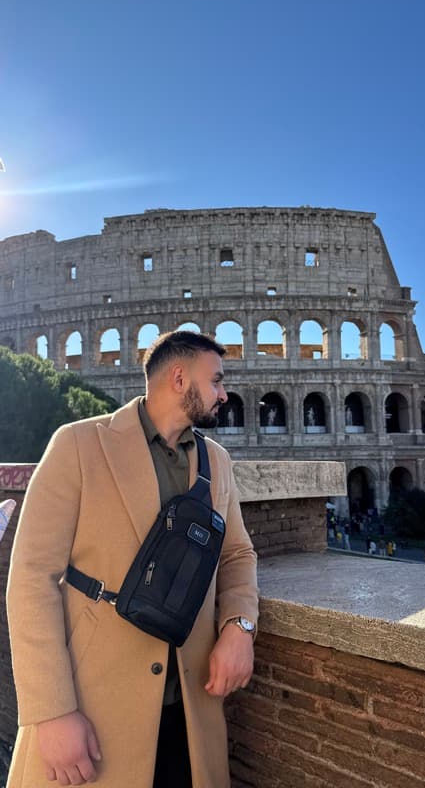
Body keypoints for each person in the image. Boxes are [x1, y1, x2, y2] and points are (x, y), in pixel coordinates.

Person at [6, 330, 258, 788]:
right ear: (179, 378)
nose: (224, 394)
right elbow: (30, 578)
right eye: (217, 381)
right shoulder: (79, 444)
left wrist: (239, 626)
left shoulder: (216, 460)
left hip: (189, 705)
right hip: (93, 702)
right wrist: (52, 712)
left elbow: (238, 553)